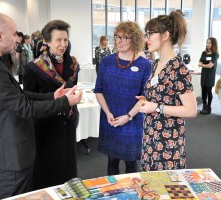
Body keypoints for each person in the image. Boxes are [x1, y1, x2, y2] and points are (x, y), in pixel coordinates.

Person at [0, 12, 82, 199]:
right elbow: (24, 108)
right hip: (13, 149)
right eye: (14, 33)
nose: (17, 39)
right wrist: (64, 102)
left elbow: (18, 95)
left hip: (15, 145)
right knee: (15, 195)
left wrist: (52, 96)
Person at [136, 10, 197, 172]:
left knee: (166, 190)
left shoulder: (178, 69)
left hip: (167, 141)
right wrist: (147, 99)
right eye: (146, 34)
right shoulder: (156, 64)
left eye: (151, 33)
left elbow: (191, 110)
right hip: (151, 135)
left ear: (165, 35)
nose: (146, 38)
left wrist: (155, 107)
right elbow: (164, 95)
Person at [23, 20, 80, 190]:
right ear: (47, 42)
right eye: (58, 40)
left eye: (65, 40)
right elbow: (29, 100)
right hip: (46, 128)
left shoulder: (73, 64)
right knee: (48, 174)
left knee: (68, 172)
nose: (63, 44)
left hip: (68, 124)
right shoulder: (34, 68)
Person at [94, 21, 151, 175]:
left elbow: (144, 97)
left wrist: (128, 116)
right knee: (111, 161)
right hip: (110, 118)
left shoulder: (145, 65)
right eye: (117, 37)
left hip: (132, 120)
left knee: (131, 162)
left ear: (135, 39)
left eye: (125, 37)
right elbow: (98, 90)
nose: (119, 41)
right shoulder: (106, 62)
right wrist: (107, 112)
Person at [198, 37, 219, 114]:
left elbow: (210, 66)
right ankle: (204, 106)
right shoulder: (204, 53)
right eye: (207, 42)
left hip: (210, 76)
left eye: (209, 43)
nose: (207, 44)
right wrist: (205, 64)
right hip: (204, 75)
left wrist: (202, 64)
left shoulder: (215, 54)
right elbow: (199, 63)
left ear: (213, 44)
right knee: (203, 91)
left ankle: (209, 107)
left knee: (208, 91)